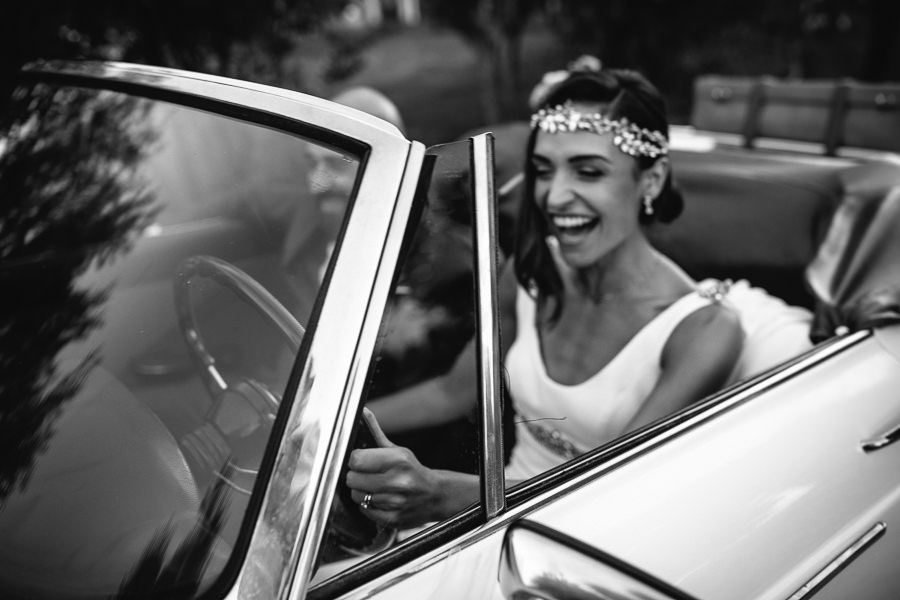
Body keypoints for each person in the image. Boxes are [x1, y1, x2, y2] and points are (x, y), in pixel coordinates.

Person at [346, 62, 759, 529]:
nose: (555, 197)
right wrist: (327, 423)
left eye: (587, 171)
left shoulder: (702, 331)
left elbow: (604, 491)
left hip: (581, 537)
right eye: (543, 170)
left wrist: (441, 495)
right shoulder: (529, 273)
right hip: (487, 518)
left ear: (652, 179)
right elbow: (451, 391)